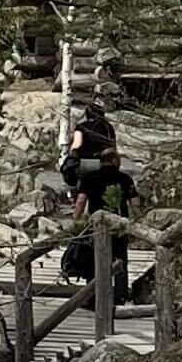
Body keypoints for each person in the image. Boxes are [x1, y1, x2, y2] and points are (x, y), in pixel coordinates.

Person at [58, 98, 139, 292]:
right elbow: (113, 148)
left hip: (89, 166)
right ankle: (120, 289)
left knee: (83, 184)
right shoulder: (109, 128)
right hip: (106, 162)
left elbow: (76, 147)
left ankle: (76, 202)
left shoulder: (82, 127)